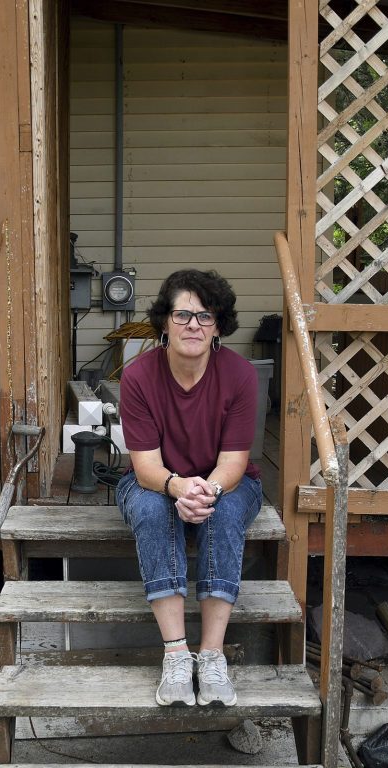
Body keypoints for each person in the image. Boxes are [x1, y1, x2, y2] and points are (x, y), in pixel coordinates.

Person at [115, 269, 263, 707]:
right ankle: (177, 655)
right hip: (157, 481)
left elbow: (233, 462)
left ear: (218, 326)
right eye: (182, 315)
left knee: (227, 511)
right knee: (151, 510)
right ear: (165, 322)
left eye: (205, 316)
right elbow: (145, 466)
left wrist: (206, 492)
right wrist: (179, 488)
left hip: (226, 482)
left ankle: (212, 656)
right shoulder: (138, 377)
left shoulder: (240, 375)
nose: (193, 325)